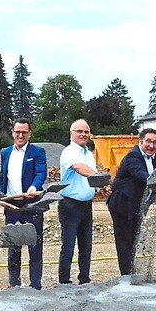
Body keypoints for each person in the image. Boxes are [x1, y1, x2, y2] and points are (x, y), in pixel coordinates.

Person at [0, 118, 48, 289]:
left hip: (31, 206)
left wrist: (34, 187)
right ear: (12, 133)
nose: (20, 135)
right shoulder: (5, 153)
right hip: (12, 207)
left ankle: (35, 285)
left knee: (34, 246)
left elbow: (41, 173)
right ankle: (14, 285)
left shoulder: (37, 152)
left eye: (24, 132)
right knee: (13, 248)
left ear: (29, 134)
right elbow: (2, 176)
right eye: (17, 132)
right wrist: (0, 195)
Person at [107, 128, 156, 275]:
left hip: (137, 204)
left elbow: (153, 177)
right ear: (140, 141)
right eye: (148, 141)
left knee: (133, 239)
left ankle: (131, 270)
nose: (151, 145)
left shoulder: (154, 158)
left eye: (155, 142)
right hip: (122, 203)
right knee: (124, 240)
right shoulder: (133, 157)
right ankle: (127, 275)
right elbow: (142, 175)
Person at [58, 119, 104, 285]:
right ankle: (64, 281)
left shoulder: (89, 154)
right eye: (79, 131)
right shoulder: (69, 152)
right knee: (68, 245)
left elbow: (93, 178)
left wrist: (101, 188)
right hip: (70, 205)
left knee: (86, 245)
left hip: (86, 205)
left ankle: (84, 279)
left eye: (86, 131)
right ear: (72, 134)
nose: (83, 134)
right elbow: (79, 168)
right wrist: (98, 177)